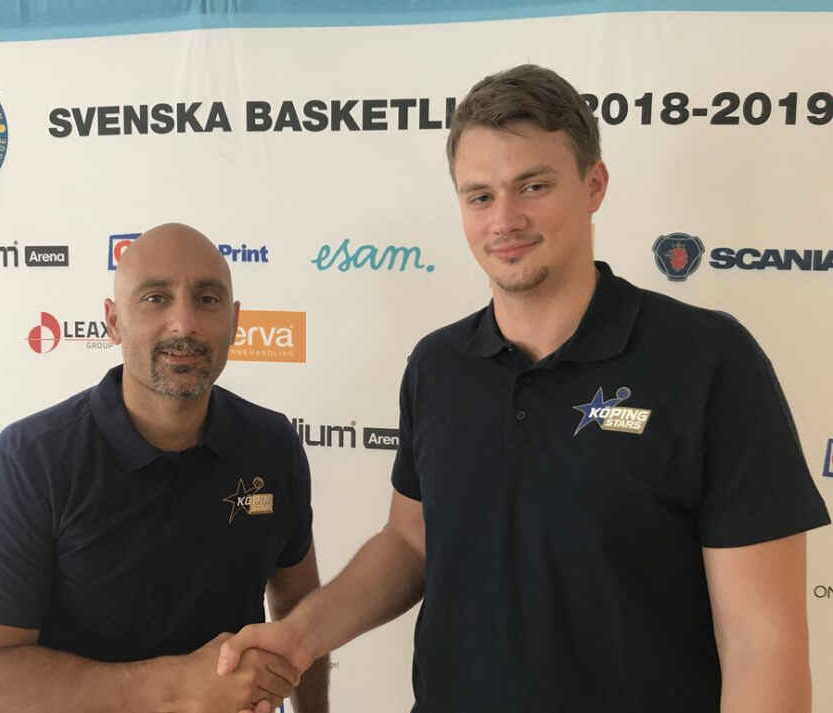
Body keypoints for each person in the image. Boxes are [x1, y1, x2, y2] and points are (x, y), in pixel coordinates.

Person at [217, 65, 830, 712]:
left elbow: (762, 642)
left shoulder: (708, 360)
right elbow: (411, 540)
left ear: (594, 185)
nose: (504, 219)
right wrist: (298, 637)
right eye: (480, 196)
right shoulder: (437, 365)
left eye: (533, 186)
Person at [0, 223, 329, 713]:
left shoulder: (272, 445)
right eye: (155, 298)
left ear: (234, 321)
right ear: (113, 321)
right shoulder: (27, 462)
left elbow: (301, 618)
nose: (184, 324)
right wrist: (177, 685)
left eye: (207, 299)